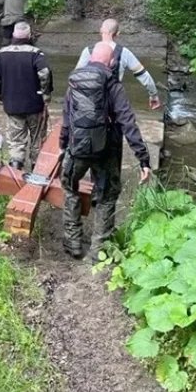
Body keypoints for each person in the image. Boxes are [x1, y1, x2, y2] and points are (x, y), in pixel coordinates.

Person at [59, 42, 152, 261]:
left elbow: (66, 118)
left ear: (90, 58)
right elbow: (128, 122)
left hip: (77, 148)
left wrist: (63, 144)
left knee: (69, 186)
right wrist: (143, 159)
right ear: (111, 62)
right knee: (108, 195)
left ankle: (73, 242)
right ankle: (98, 250)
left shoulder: (74, 81)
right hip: (106, 149)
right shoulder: (113, 84)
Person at [0, 22, 53, 172]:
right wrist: (46, 93)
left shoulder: (1, 54)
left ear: (13, 35)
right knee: (37, 138)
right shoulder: (36, 53)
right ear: (29, 36)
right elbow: (44, 73)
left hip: (12, 105)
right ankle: (37, 172)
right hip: (34, 105)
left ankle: (16, 171)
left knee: (16, 141)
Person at [76, 19, 162, 110]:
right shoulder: (124, 52)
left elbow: (76, 76)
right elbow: (144, 75)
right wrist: (153, 95)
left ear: (101, 31)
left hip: (91, 100)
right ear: (118, 33)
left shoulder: (88, 51)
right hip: (114, 100)